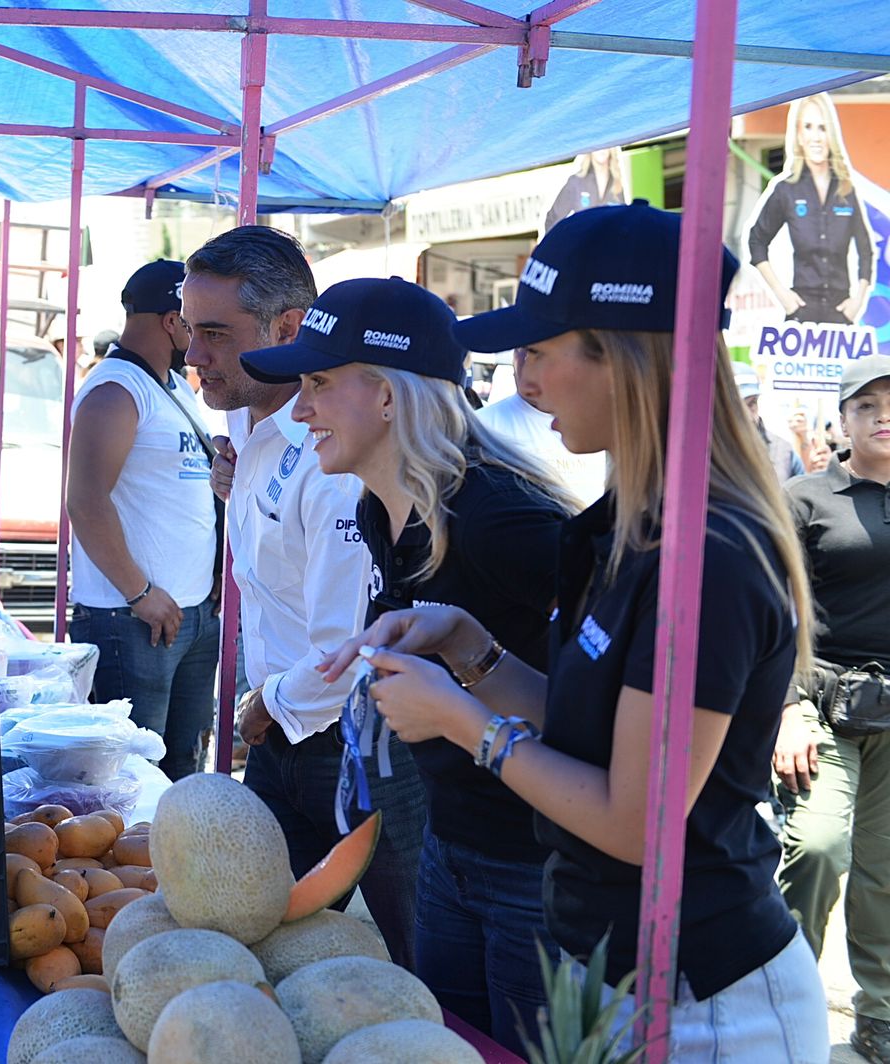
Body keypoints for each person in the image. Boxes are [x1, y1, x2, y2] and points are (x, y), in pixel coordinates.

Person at [323, 202, 829, 1060]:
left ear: (625, 361)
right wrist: (469, 647)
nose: (523, 384)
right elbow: (587, 727)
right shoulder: (626, 525)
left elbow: (638, 819)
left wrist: (462, 722)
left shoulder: (708, 554)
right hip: (605, 970)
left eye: (540, 353)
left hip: (705, 1002)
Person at [241, 276, 576, 1049]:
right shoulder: (375, 507)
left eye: (319, 384)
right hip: (448, 854)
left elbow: (605, 713)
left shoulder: (501, 518)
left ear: (387, 397)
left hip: (535, 871)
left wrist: (467, 703)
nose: (300, 408)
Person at [183, 227, 426, 968]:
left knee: (424, 972)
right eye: (190, 331)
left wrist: (268, 703)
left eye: (215, 335)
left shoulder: (333, 458)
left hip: (349, 741)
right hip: (282, 734)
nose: (193, 355)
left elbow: (348, 651)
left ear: (288, 328)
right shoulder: (245, 423)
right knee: (253, 955)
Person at [772, 354, 890, 1064]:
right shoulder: (805, 496)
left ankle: (879, 1018)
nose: (883, 415)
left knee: (884, 873)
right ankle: (784, 1005)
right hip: (821, 701)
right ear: (842, 420)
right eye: (867, 404)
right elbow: (770, 609)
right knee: (817, 848)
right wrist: (783, 707)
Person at [66, 259, 219, 780]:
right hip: (131, 618)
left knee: (181, 772)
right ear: (172, 321)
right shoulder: (115, 390)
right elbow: (85, 501)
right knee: (131, 780)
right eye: (195, 322)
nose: (200, 338)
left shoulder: (173, 386)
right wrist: (139, 593)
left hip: (187, 613)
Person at [748, 93, 875, 326]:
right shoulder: (786, 190)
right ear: (798, 134)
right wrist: (783, 296)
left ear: (831, 135)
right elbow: (757, 241)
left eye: (822, 128)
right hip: (801, 315)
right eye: (808, 127)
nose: (816, 137)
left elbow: (866, 250)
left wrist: (858, 300)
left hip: (841, 313)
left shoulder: (846, 189)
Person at [478, 346, 608, 506]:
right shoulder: (481, 427)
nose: (526, 366)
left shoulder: (605, 425)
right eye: (521, 350)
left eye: (538, 353)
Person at [734, 363, 804, 483]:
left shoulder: (784, 452)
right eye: (737, 406)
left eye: (752, 403)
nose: (747, 414)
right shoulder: (707, 452)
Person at [543, 147, 627, 234]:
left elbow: (623, 224)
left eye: (605, 144)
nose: (601, 149)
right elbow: (552, 220)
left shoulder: (617, 186)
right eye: (597, 144)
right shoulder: (576, 182)